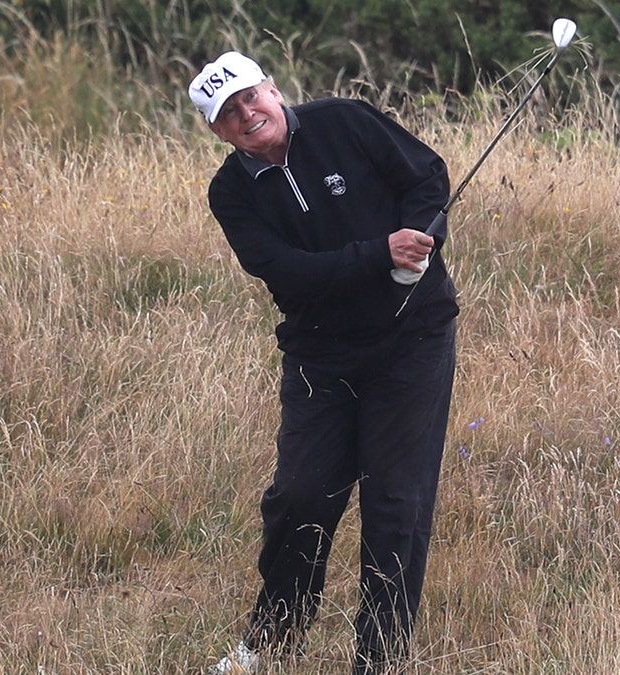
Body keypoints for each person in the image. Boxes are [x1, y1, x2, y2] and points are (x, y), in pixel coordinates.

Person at [189, 51, 459, 674]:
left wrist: (421, 237)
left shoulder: (345, 121)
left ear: (274, 90)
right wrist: (377, 255)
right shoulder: (230, 192)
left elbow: (426, 178)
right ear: (218, 133)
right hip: (321, 353)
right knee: (302, 496)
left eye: (251, 97)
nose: (247, 114)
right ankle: (273, 643)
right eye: (228, 114)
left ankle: (379, 659)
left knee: (395, 502)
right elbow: (285, 273)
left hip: (413, 340)